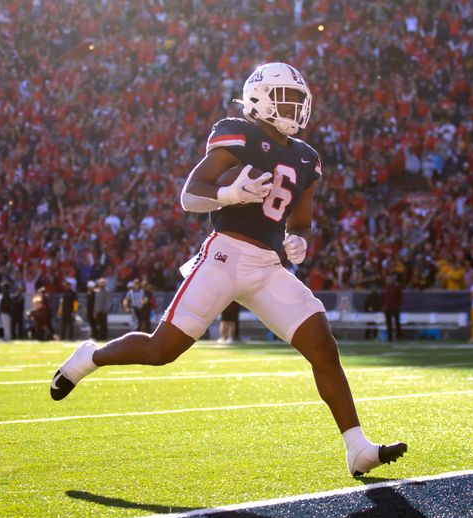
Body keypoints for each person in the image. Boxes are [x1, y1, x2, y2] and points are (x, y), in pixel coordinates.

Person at [50, 62, 406, 476]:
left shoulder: (307, 158)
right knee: (160, 349)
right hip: (223, 255)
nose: (295, 108)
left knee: (323, 345)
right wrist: (227, 193)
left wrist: (300, 239)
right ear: (259, 98)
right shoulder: (238, 131)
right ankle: (90, 357)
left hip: (268, 266)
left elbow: (301, 219)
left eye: (299, 101)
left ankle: (357, 448)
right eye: (286, 98)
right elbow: (190, 196)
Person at [382, 276, 403, 342]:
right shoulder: (385, 288)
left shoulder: (396, 287)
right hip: (387, 308)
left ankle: (398, 336)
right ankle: (390, 337)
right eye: (386, 280)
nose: (387, 281)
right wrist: (384, 306)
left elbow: (400, 297)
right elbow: (383, 298)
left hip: (395, 308)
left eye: (388, 280)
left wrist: (398, 306)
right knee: (388, 323)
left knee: (397, 323)